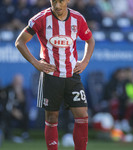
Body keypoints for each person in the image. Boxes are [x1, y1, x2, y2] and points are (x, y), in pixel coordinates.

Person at [15, 0, 95, 149]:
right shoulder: (40, 18)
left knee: (82, 115)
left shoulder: (78, 18)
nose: (57, 6)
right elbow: (20, 42)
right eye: (53, 1)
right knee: (52, 117)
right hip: (50, 75)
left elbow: (90, 40)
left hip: (72, 75)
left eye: (61, 1)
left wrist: (85, 61)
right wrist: (36, 63)